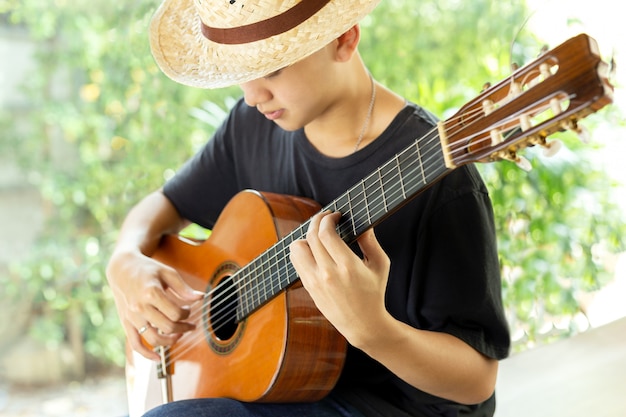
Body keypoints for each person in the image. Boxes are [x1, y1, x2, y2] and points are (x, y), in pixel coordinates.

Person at [106, 0, 511, 416]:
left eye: (272, 68)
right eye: (240, 73)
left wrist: (376, 332)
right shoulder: (253, 126)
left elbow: (477, 381)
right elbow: (166, 204)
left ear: (344, 38)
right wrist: (124, 259)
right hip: (290, 393)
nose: (251, 96)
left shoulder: (442, 180)